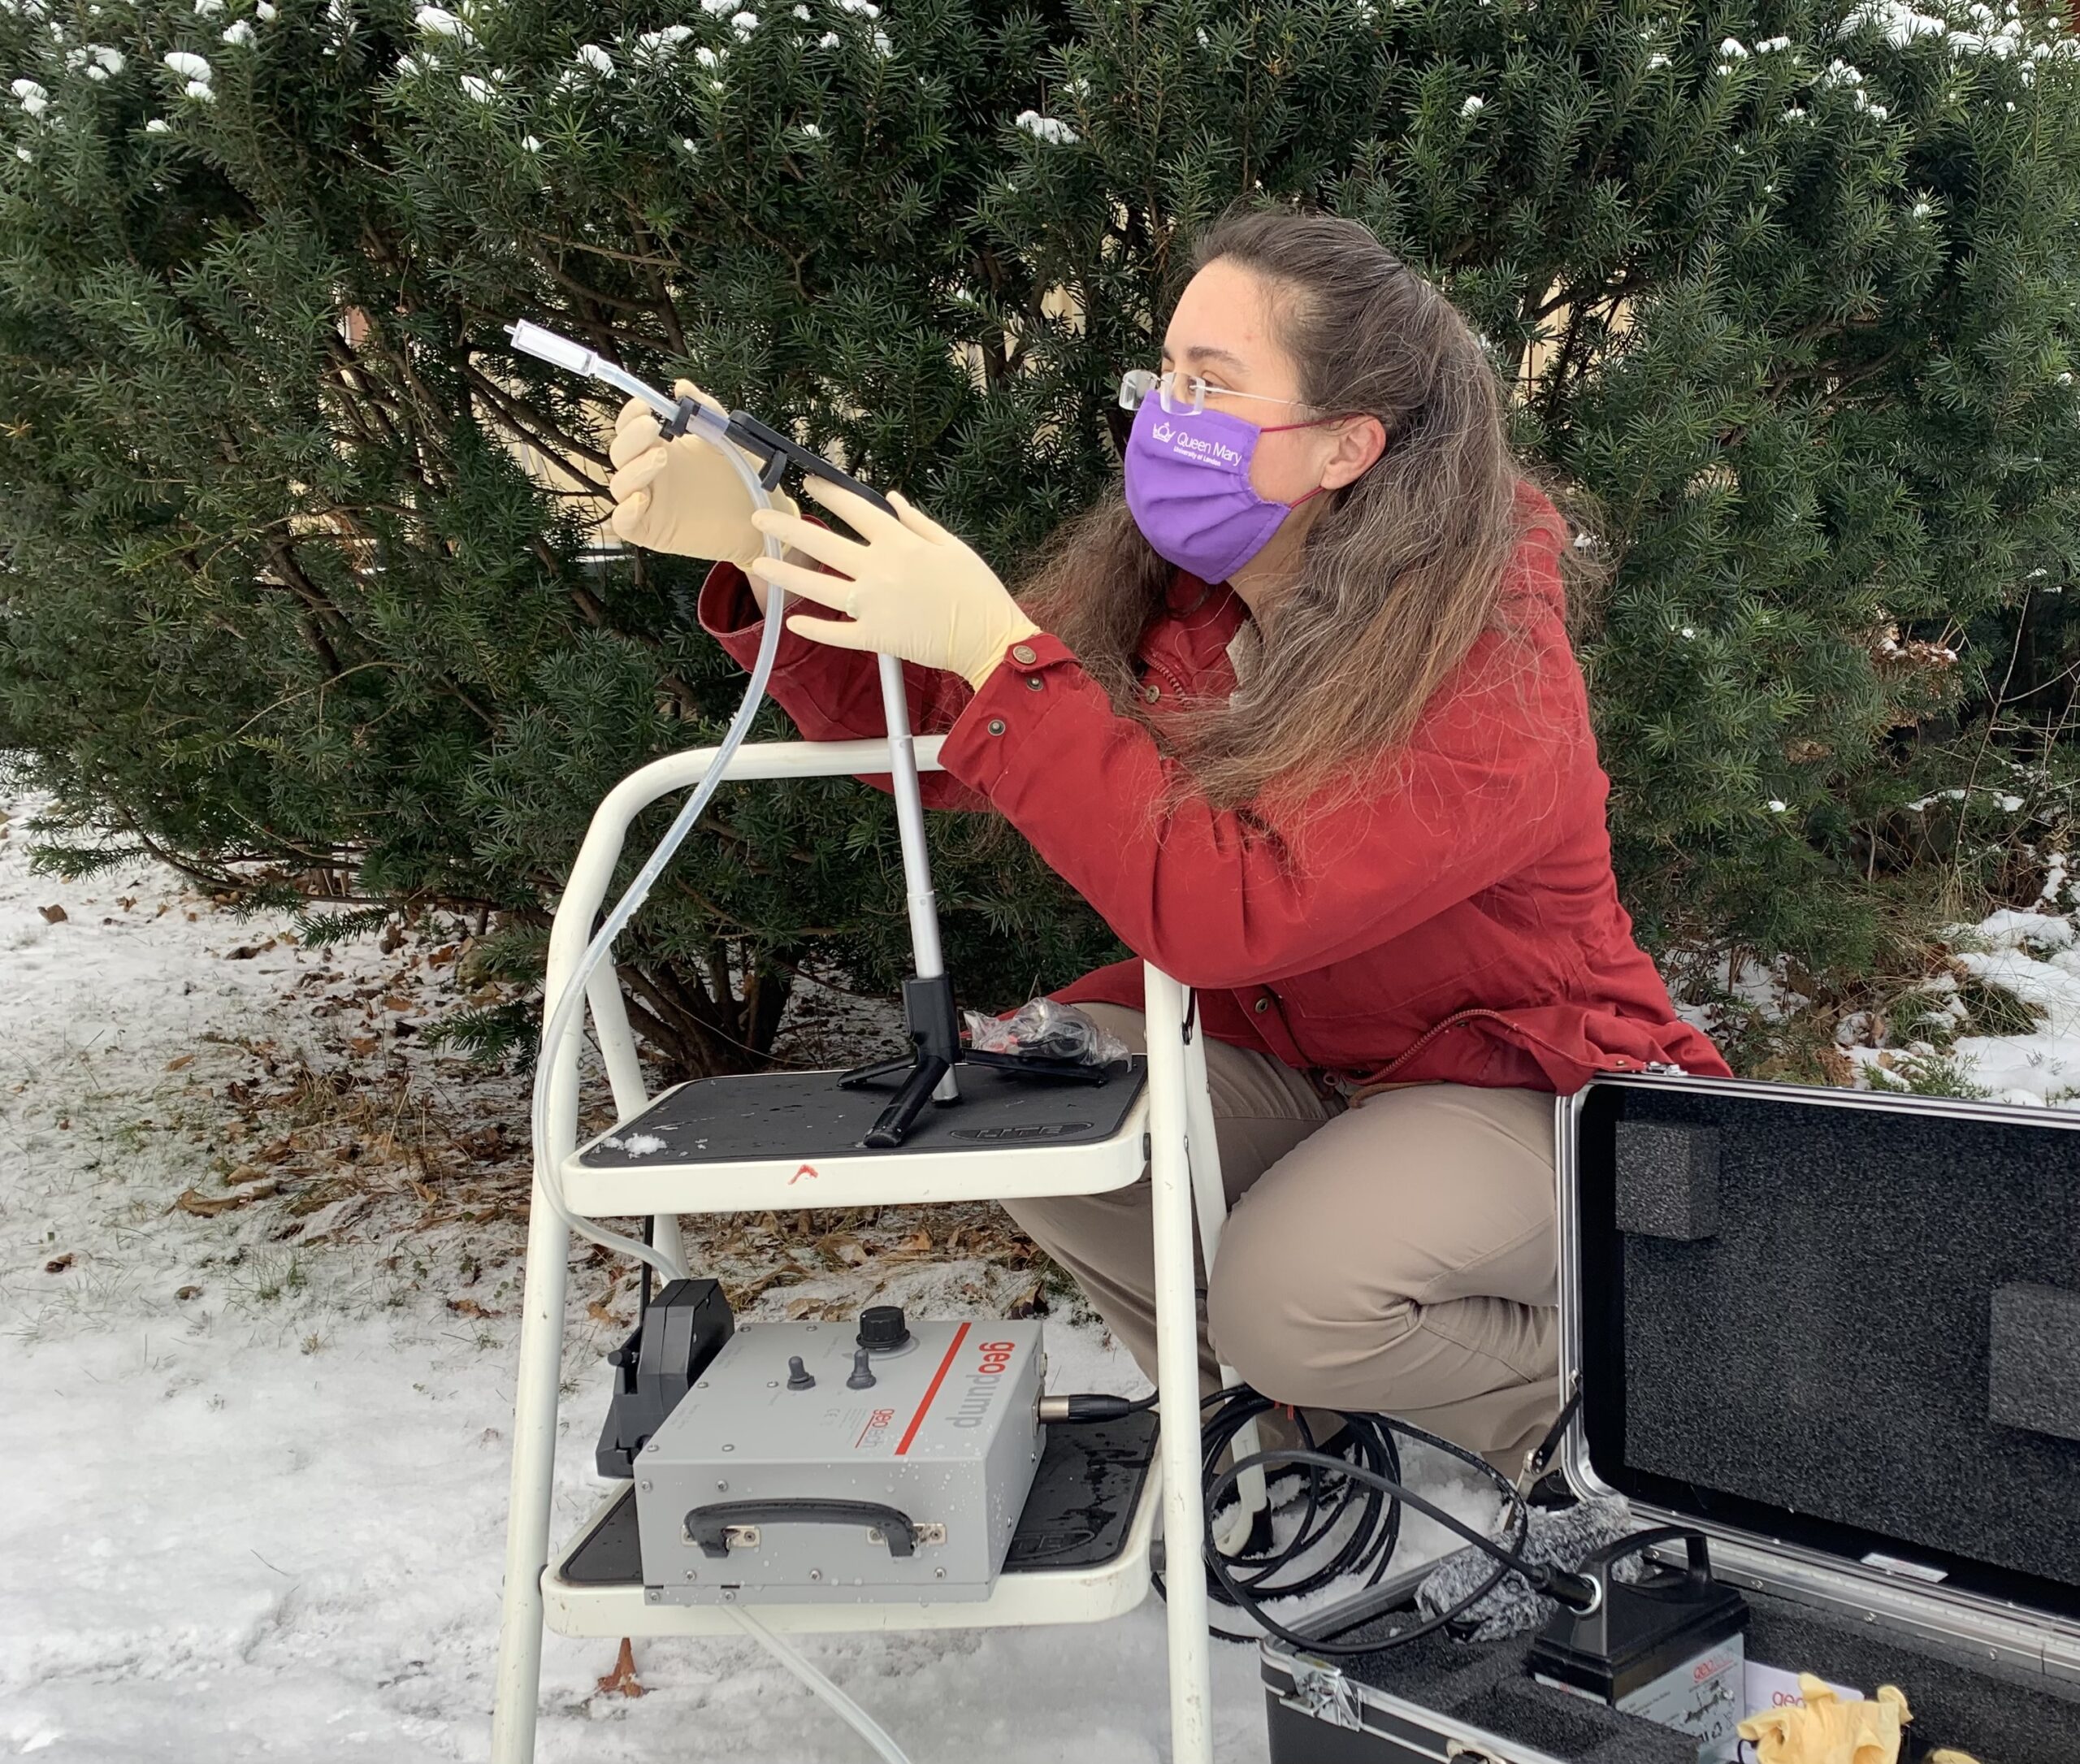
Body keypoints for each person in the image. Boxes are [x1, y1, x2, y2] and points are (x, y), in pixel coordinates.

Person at [605, 206, 1731, 1473]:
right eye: (1166, 375)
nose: (1165, 416)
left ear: (1348, 447)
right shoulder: (1186, 603)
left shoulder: (1488, 661)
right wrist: (769, 556)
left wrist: (1000, 655)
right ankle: (1288, 1447)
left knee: (1293, 1293)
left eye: (1214, 385)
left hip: (1531, 1084)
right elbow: (935, 723)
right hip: (1309, 1062)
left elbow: (1234, 906)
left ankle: (1603, 1421)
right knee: (1028, 1119)